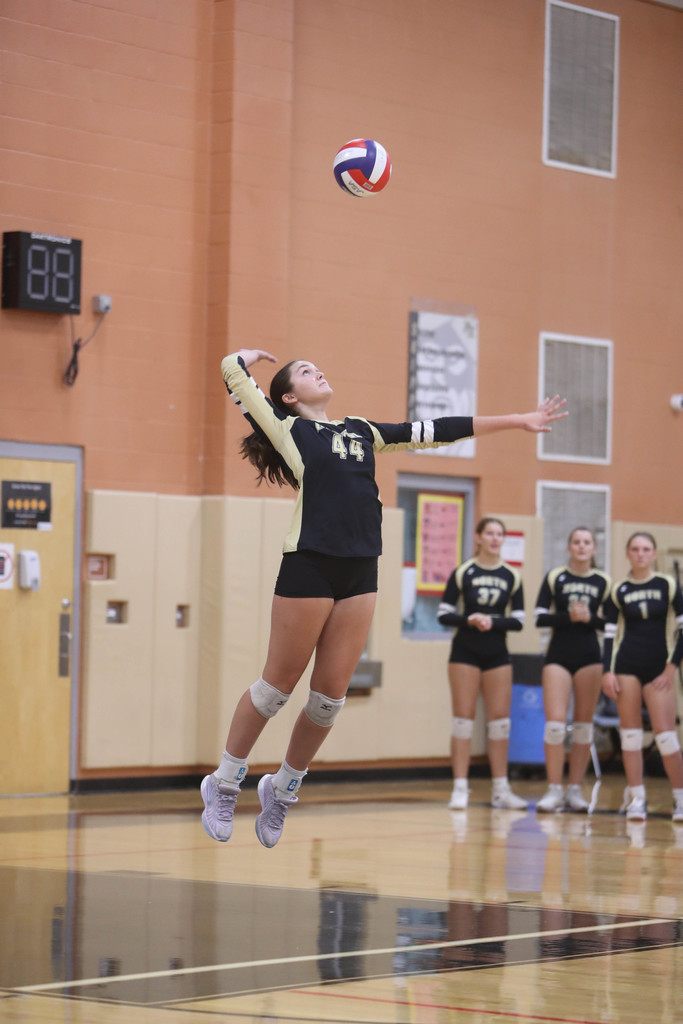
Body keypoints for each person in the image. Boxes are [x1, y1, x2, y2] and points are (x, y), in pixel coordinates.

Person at [201, 348, 567, 847]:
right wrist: (244, 356)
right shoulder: (288, 429)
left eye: (317, 364)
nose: (318, 369)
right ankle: (224, 782)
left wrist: (517, 420)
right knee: (274, 691)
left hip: (360, 570)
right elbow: (234, 377)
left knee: (328, 702)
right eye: (306, 371)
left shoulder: (362, 430)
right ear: (289, 396)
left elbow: (437, 428)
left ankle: (282, 789)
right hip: (309, 562)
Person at [437, 517, 528, 811]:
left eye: (499, 534)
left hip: (497, 653)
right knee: (463, 722)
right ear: (478, 537)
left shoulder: (511, 576)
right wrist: (470, 620)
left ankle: (501, 789)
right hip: (465, 651)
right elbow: (444, 613)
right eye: (489, 533)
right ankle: (460, 788)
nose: (494, 538)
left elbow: (519, 621)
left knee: (500, 724)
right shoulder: (464, 571)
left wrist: (494, 621)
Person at [601, 532, 683, 822]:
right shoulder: (618, 590)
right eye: (635, 549)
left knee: (666, 737)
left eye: (646, 549)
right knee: (631, 736)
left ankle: (680, 798)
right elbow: (610, 635)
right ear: (627, 553)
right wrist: (607, 671)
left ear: (654, 553)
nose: (640, 554)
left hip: (659, 667)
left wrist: (671, 667)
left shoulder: (668, 585)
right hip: (626, 666)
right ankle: (637, 797)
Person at [533, 527, 611, 813]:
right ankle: (554, 790)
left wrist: (590, 618)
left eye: (586, 542)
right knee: (555, 726)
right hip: (558, 655)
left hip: (590, 656)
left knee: (582, 727)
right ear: (569, 547)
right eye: (576, 541)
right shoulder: (556, 577)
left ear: (594, 549)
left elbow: (613, 624)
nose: (581, 546)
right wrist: (569, 616)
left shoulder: (604, 581)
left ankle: (575, 791)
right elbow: (539, 617)